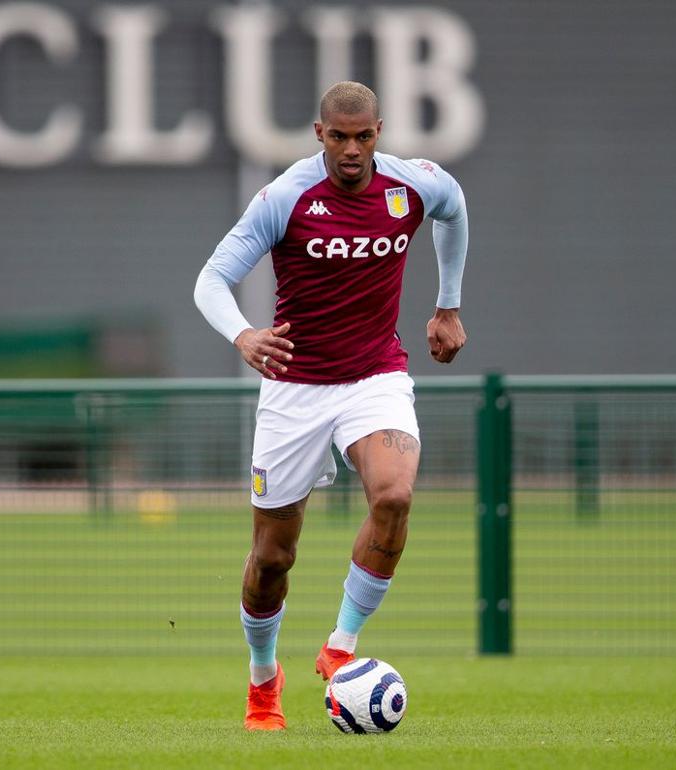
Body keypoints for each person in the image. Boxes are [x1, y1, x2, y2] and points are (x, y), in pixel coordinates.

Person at [193, 81, 469, 731]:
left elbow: (455, 210)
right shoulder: (286, 198)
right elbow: (211, 278)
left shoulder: (413, 186)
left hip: (375, 376)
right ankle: (264, 681)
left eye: (364, 136)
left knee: (395, 497)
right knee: (272, 559)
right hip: (295, 387)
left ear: (380, 132)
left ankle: (340, 645)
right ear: (320, 135)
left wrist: (448, 304)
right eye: (339, 137)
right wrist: (243, 334)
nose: (352, 150)